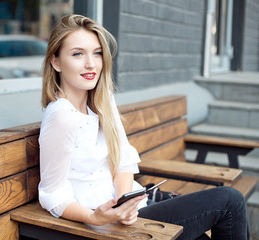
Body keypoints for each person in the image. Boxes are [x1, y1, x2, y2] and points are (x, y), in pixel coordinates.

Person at [38, 14, 249, 239]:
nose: (91, 63)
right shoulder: (62, 116)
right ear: (56, 61)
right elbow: (53, 193)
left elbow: (122, 160)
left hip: (131, 210)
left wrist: (124, 204)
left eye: (97, 53)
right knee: (230, 202)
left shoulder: (102, 102)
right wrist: (95, 217)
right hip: (102, 225)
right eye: (78, 54)